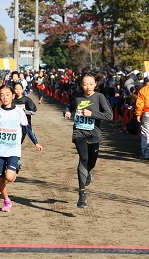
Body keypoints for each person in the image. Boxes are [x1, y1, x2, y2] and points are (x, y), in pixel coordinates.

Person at [0, 85, 42, 212]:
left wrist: (36, 142)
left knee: (9, 178)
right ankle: (6, 201)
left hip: (13, 150)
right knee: (0, 179)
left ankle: (17, 166)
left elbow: (27, 128)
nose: (4, 97)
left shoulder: (19, 112)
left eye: (7, 94)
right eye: (1, 95)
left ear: (13, 96)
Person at [64, 72, 113, 208]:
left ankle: (88, 172)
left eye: (91, 84)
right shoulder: (78, 97)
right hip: (79, 133)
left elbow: (109, 116)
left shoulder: (99, 97)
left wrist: (92, 114)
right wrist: (67, 112)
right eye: (85, 84)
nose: (88, 87)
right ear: (81, 84)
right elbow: (70, 107)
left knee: (91, 163)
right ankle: (82, 194)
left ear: (95, 84)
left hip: (94, 135)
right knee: (83, 158)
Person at [135, 79, 149, 158]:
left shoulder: (143, 90)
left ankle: (145, 153)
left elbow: (140, 104)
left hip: (146, 112)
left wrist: (138, 114)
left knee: (145, 133)